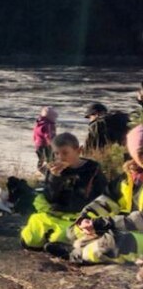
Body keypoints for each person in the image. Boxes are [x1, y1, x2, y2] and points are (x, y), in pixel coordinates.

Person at [67, 125, 143, 265]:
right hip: (129, 230)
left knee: (114, 242)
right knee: (75, 231)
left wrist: (103, 224)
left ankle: (77, 255)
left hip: (133, 233)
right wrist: (85, 220)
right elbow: (106, 202)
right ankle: (79, 250)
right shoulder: (127, 179)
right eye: (141, 153)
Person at [19, 132, 107, 250]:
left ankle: (61, 245)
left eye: (65, 153)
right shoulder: (53, 170)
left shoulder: (92, 169)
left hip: (78, 215)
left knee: (60, 238)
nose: (60, 157)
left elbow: (102, 195)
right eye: (56, 153)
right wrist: (54, 178)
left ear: (78, 150)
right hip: (55, 212)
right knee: (30, 239)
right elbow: (50, 197)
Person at [33, 106, 58, 174]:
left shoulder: (39, 123)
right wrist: (53, 144)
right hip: (46, 145)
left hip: (38, 145)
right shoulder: (49, 125)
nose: (55, 119)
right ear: (50, 117)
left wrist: (35, 142)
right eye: (54, 117)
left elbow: (35, 134)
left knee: (41, 158)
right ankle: (48, 172)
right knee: (50, 159)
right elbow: (48, 136)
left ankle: (40, 168)